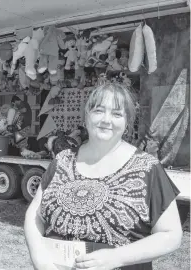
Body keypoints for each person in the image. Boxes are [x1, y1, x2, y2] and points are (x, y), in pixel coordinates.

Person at [24, 83, 182, 270]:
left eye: (116, 114)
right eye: (99, 111)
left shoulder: (147, 168)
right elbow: (34, 215)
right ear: (86, 116)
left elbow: (171, 234)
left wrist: (117, 257)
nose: (106, 120)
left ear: (127, 122)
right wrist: (39, 258)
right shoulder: (63, 161)